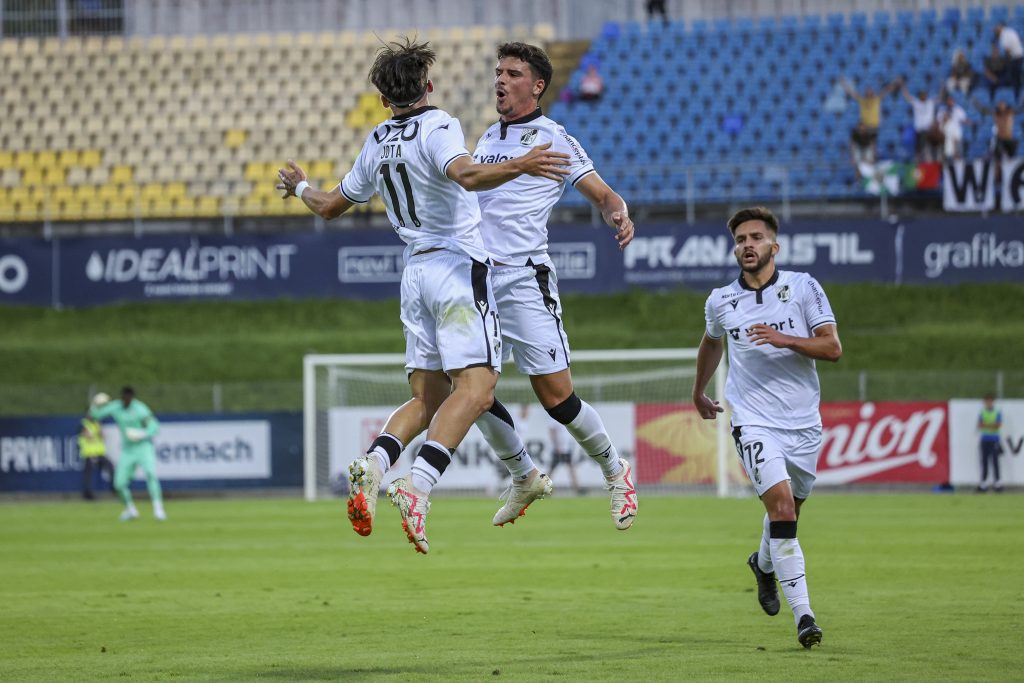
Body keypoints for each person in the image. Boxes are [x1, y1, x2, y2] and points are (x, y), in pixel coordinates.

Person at [275, 38, 570, 555]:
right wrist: (522, 164)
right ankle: (418, 486)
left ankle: (374, 464)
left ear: (384, 99)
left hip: (413, 274)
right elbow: (468, 175)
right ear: (428, 86)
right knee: (477, 389)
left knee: (428, 398)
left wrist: (300, 187)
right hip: (457, 267)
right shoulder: (440, 125)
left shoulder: (376, 141)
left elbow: (328, 206)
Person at [470, 42, 637, 531]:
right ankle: (524, 475)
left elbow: (604, 194)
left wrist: (618, 214)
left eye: (512, 73)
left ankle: (615, 470)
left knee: (557, 398)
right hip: (477, 279)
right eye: (497, 71)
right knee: (470, 388)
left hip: (523, 280)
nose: (500, 80)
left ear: (537, 85)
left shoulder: (555, 138)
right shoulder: (486, 135)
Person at [691, 206, 842, 649]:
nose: (747, 245)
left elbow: (832, 347)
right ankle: (806, 618)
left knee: (790, 512)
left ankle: (763, 564)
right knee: (781, 509)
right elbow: (711, 342)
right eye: (740, 239)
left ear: (774, 245)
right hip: (754, 422)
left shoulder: (803, 287)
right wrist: (699, 390)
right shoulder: (721, 300)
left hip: (804, 424)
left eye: (756, 237)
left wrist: (786, 339)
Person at [89, 387, 165, 521]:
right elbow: (94, 416)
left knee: (150, 474)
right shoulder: (116, 407)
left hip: (143, 447)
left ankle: (158, 509)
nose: (126, 401)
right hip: (128, 450)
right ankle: (130, 510)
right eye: (125, 398)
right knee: (119, 484)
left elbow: (154, 426)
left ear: (132, 398)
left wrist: (142, 434)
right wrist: (95, 404)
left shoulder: (140, 408)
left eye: (129, 399)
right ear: (122, 397)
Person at [840, 77, 901, 166]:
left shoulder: (877, 100)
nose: (869, 93)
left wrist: (895, 82)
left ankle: (871, 160)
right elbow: (852, 93)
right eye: (867, 92)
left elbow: (886, 90)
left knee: (872, 145)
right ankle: (860, 160)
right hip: (864, 128)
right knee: (859, 143)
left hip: (873, 127)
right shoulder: (862, 101)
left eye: (870, 92)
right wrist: (845, 85)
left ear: (872, 93)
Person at [970, 96, 1024, 162]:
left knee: (1012, 157)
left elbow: (1021, 109)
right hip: (1000, 139)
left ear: (1006, 105)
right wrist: (976, 103)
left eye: (1003, 104)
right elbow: (984, 111)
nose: (1001, 106)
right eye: (1000, 104)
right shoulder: (996, 114)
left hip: (1009, 138)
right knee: (997, 157)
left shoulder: (1010, 113)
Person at [899, 82, 942, 162]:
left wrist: (942, 87)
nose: (923, 96)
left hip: (929, 131)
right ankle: (920, 163)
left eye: (924, 94)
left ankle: (930, 162)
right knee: (919, 149)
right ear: (919, 95)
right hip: (919, 130)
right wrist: (903, 85)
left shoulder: (930, 102)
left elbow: (939, 97)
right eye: (922, 94)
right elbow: (907, 96)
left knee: (929, 148)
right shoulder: (916, 103)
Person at [78, 413, 113, 500]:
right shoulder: (84, 424)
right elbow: (88, 436)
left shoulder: (97, 424)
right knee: (88, 475)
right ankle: (87, 494)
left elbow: (103, 436)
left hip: (99, 453)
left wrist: (99, 428)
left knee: (111, 468)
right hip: (89, 454)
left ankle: (115, 489)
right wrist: (94, 433)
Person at [977, 394, 1003, 493]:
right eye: (987, 401)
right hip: (985, 440)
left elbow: (998, 425)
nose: (988, 403)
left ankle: (997, 483)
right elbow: (980, 424)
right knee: (984, 462)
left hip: (994, 440)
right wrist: (992, 424)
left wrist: (986, 424)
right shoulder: (982, 412)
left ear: (992, 402)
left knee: (995, 461)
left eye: (990, 401)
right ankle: (983, 483)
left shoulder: (997, 412)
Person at [938, 93, 972, 161]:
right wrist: (945, 118)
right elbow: (939, 121)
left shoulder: (958, 110)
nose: (950, 102)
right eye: (948, 100)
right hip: (944, 131)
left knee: (955, 135)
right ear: (946, 101)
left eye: (951, 100)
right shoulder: (942, 110)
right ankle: (947, 157)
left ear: (954, 101)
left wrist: (968, 122)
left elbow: (965, 120)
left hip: (955, 131)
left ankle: (956, 157)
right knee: (947, 134)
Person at [995, 23, 1024, 101]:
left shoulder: (1003, 35)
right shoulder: (1011, 31)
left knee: (1014, 78)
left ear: (1000, 28)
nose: (996, 31)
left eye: (997, 29)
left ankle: (1016, 96)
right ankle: (1016, 94)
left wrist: (1006, 61)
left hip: (1014, 58)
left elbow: (1007, 50)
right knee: (1017, 78)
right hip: (1019, 55)